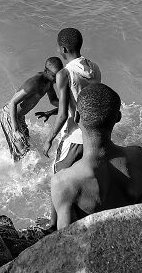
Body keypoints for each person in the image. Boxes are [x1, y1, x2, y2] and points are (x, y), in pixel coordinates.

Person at [50, 83, 142, 229]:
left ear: (76, 116)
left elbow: (66, 237)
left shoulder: (64, 182)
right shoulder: (139, 158)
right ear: (118, 117)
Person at [42, 27, 102, 172]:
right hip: (94, 137)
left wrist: (49, 140)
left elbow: (63, 115)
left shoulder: (64, 74)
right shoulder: (94, 68)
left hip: (74, 138)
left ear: (63, 49)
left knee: (59, 176)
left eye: (58, 47)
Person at [0, 57, 63, 160]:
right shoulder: (34, 83)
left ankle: (13, 163)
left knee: (28, 145)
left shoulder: (48, 83)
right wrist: (15, 130)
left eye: (59, 75)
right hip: (10, 116)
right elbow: (13, 103)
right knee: (23, 152)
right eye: (54, 76)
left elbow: (53, 100)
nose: (57, 79)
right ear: (46, 71)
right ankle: (8, 166)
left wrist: (69, 104)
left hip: (20, 117)